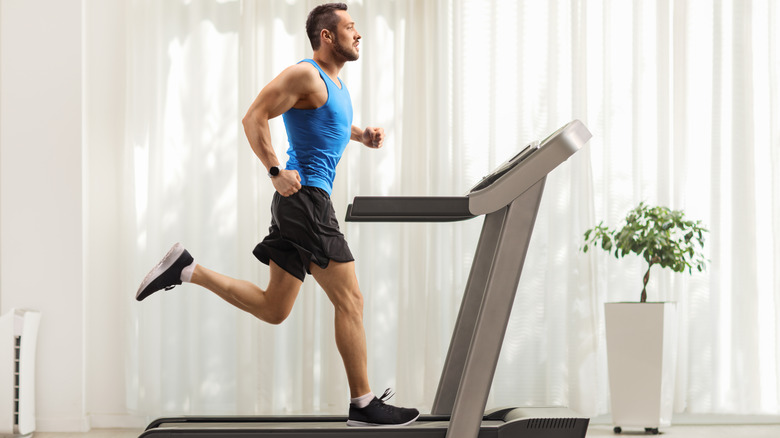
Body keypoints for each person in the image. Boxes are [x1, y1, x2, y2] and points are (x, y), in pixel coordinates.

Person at [134, 2, 419, 428]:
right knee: (352, 300)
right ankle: (363, 404)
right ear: (327, 36)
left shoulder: (336, 86)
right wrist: (273, 171)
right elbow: (253, 117)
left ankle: (187, 269)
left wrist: (363, 135)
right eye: (350, 27)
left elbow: (330, 126)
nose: (358, 35)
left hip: (300, 204)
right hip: (306, 201)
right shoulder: (306, 73)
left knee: (274, 308)